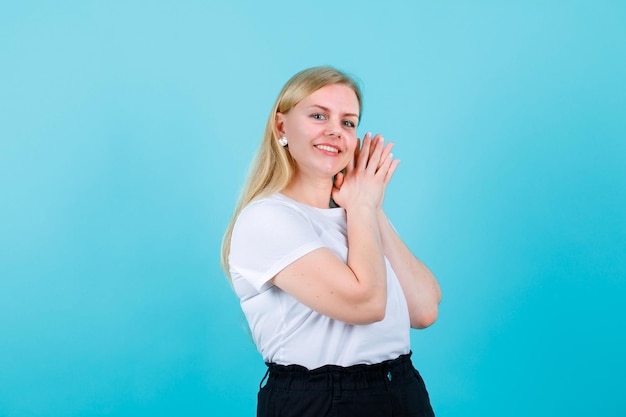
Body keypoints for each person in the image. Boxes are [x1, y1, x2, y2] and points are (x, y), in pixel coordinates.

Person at [221, 66, 442, 417]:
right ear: (281, 127)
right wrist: (363, 205)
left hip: (401, 386)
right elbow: (365, 305)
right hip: (323, 400)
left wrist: (365, 207)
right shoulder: (265, 219)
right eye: (318, 115)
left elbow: (425, 309)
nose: (334, 131)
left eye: (348, 122)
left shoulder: (359, 216)